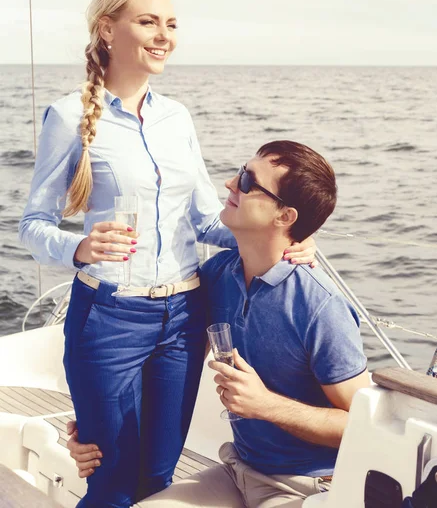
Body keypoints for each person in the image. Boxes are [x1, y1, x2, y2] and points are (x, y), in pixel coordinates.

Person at [18, 0, 316, 508]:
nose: (164, 35)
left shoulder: (176, 118)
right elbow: (32, 224)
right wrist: (78, 248)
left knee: (159, 479)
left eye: (171, 24)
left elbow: (205, 222)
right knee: (109, 482)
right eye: (148, 21)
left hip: (185, 316)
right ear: (107, 29)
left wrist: (286, 239)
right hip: (106, 319)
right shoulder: (68, 117)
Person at [68, 139, 370, 508]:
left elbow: (363, 426)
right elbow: (155, 356)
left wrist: (265, 406)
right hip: (234, 472)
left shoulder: (321, 307)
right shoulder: (216, 275)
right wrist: (91, 430)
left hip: (307, 487)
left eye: (247, 181)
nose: (229, 183)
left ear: (285, 217)